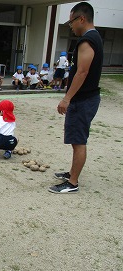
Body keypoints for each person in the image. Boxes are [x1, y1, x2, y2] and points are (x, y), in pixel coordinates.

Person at [49, 2, 103, 194]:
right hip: (86, 98)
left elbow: (82, 71)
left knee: (79, 140)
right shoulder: (95, 37)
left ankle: (72, 183)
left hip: (83, 99)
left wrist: (67, 98)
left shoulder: (87, 41)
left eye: (71, 21)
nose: (70, 26)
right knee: (76, 139)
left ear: (81, 19)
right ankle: (72, 172)